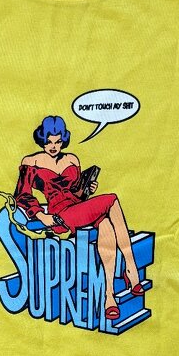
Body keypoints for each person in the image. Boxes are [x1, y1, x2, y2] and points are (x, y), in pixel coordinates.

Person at [14, 115, 144, 320]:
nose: (53, 146)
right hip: (59, 216)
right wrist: (41, 216)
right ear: (42, 139)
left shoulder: (72, 159)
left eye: (58, 141)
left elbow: (78, 195)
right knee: (111, 199)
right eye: (49, 141)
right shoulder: (31, 161)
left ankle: (109, 295)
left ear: (63, 139)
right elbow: (22, 195)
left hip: (80, 209)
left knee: (106, 225)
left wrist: (88, 190)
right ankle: (131, 269)